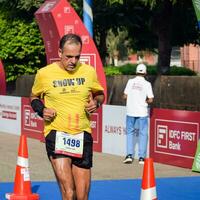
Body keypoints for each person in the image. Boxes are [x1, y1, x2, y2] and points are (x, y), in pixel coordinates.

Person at [30, 33, 105, 200]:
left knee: (82, 195)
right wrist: (42, 110)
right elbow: (34, 97)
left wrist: (97, 102)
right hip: (57, 134)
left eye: (77, 57)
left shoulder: (88, 72)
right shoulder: (44, 73)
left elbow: (100, 93)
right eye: (68, 56)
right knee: (69, 192)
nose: (73, 61)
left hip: (82, 134)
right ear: (59, 53)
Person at [123, 63, 154, 165]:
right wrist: (144, 100)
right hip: (142, 112)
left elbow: (125, 96)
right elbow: (150, 99)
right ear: (145, 73)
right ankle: (141, 158)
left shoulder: (130, 82)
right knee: (143, 134)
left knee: (130, 133)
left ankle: (129, 155)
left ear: (136, 71)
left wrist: (132, 98)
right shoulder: (147, 84)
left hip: (130, 111)